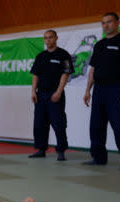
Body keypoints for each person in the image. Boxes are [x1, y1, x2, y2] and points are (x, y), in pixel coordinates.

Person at [83, 12, 120, 169]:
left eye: (109, 22)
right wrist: (88, 90)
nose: (106, 25)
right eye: (103, 23)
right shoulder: (99, 44)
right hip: (99, 90)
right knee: (96, 126)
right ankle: (98, 158)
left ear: (118, 22)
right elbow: (93, 69)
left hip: (117, 88)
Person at [29, 30, 74, 161]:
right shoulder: (40, 56)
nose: (48, 40)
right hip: (40, 95)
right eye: (46, 38)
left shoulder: (63, 55)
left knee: (58, 123)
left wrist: (59, 92)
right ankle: (41, 149)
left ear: (56, 38)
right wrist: (33, 91)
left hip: (55, 94)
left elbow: (65, 75)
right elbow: (35, 75)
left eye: (50, 37)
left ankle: (61, 151)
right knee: (39, 124)